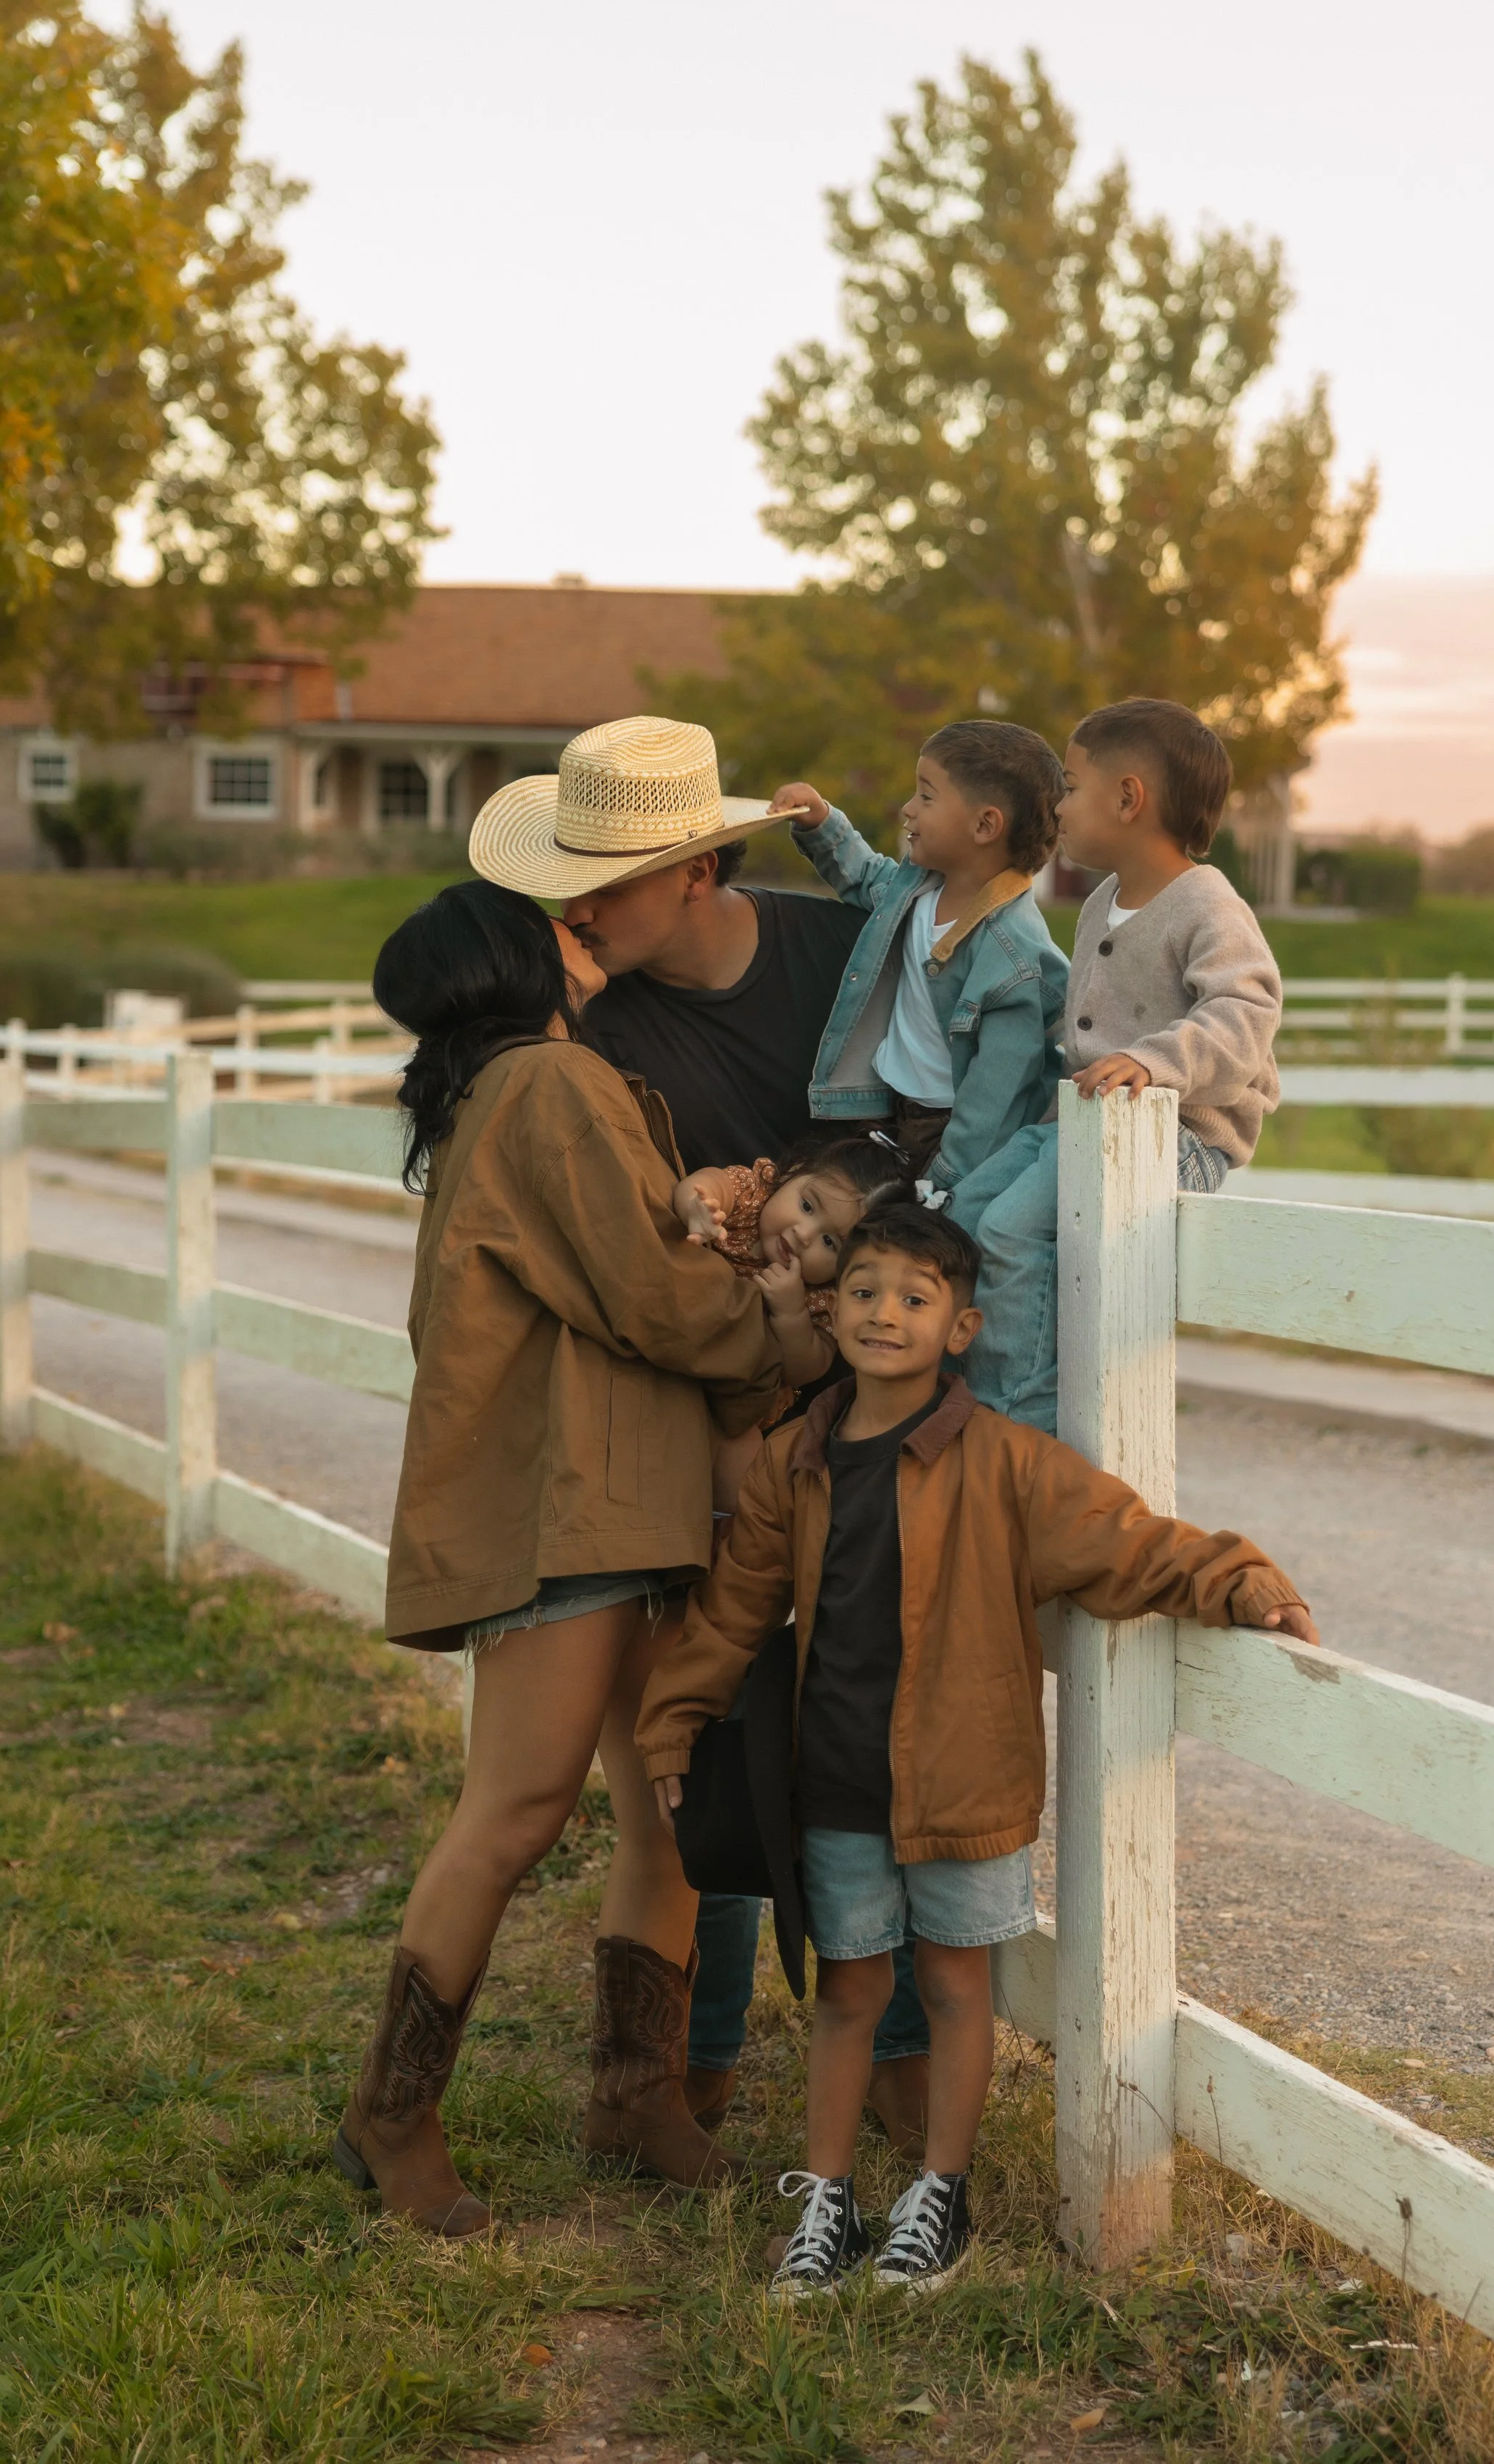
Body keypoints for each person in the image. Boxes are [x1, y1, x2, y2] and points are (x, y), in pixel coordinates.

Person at [636, 1203, 1317, 2294]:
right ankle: (827, 2202)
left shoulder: (1009, 1466)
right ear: (830, 1307)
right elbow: (733, 1612)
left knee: (957, 1987)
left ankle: (938, 2197)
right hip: (838, 1789)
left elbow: (1126, 1543)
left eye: (914, 1296)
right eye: (863, 1291)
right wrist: (673, 1714)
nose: (884, 1313)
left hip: (968, 1782)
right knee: (848, 1993)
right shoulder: (791, 1464)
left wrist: (1236, 1577)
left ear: (962, 1326)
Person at [467, 714, 933, 2150]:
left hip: (871, 1392)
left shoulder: (834, 957)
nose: (577, 904)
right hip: (711, 1415)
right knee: (716, 1737)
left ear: (697, 867)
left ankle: (910, 2095)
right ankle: (693, 2077)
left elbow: (938, 1127)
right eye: (569, 877)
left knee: (879, 1746)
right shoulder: (586, 1028)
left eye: (602, 875)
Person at [330, 877, 783, 2237]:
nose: (578, 933)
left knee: (666, 1812)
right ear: (508, 964)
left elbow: (623, 1259)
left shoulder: (521, 1087)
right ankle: (389, 2117)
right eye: (554, 929)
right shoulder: (548, 1083)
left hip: (623, 1495)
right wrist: (792, 1324)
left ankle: (636, 2097)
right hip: (572, 1498)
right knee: (517, 1813)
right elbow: (654, 1298)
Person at [951, 698, 1282, 1434]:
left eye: (1069, 784)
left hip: (1176, 1141)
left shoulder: (1208, 904)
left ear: (1128, 798)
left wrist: (1151, 1061)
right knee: (966, 1217)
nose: (1056, 804)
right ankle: (958, 1393)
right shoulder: (1102, 900)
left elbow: (1245, 1017)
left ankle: (1018, 1424)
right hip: (1084, 1125)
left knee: (1008, 1230)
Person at [770, 720, 1069, 1198]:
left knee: (906, 1236)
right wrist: (822, 822)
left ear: (985, 825)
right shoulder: (921, 886)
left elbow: (997, 1092)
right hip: (887, 1107)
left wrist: (947, 1180)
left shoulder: (1013, 956)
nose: (908, 809)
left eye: (926, 797)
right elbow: (865, 876)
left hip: (947, 1133)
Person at [675, 1129, 914, 1498]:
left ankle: (727, 1529)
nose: (804, 1235)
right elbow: (710, 1183)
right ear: (793, 1173)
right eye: (807, 1206)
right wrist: (697, 1206)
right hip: (683, 1332)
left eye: (830, 1243)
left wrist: (790, 1315)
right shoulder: (754, 1194)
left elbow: (806, 1368)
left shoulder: (822, 1297)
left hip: (736, 1399)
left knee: (745, 1469)